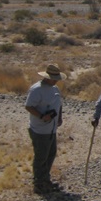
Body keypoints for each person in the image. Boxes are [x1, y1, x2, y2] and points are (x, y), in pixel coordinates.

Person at [25, 63, 67, 194]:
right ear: (47, 77)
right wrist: (42, 116)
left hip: (51, 129)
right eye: (54, 78)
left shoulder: (55, 89)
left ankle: (45, 179)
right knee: (41, 157)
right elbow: (29, 106)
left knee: (50, 154)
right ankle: (38, 183)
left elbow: (58, 104)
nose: (56, 80)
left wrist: (59, 117)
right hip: (39, 130)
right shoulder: (37, 89)